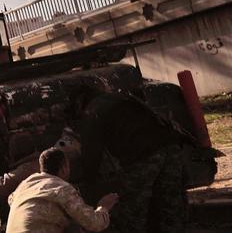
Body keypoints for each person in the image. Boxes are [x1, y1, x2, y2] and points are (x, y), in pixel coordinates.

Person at [76, 91, 188, 233]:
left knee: (134, 206)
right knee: (171, 200)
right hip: (170, 145)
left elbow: (92, 151)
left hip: (143, 154)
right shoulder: (119, 97)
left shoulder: (93, 110)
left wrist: (88, 181)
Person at [6, 147, 118, 233]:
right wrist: (103, 207)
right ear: (64, 168)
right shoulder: (62, 188)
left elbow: (10, 199)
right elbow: (93, 223)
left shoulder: (26, 184)